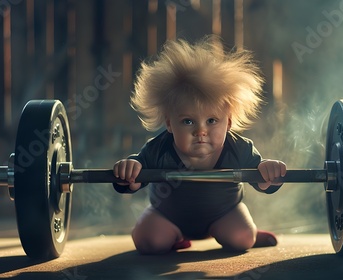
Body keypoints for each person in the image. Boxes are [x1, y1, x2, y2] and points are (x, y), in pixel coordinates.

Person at [113, 37, 287, 255]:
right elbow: (132, 180)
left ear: (229, 122)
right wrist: (129, 172)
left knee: (241, 239)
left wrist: (268, 172)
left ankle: (250, 232)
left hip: (223, 214)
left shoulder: (238, 148)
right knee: (149, 242)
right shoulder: (159, 149)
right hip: (168, 216)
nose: (200, 131)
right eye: (188, 121)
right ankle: (176, 237)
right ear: (169, 122)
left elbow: (263, 182)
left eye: (212, 121)